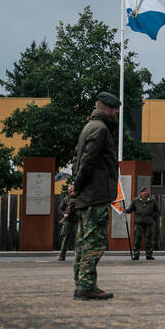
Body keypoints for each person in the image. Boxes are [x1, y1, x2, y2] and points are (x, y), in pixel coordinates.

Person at [69, 92, 120, 300]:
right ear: (107, 107)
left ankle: (83, 283)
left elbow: (76, 159)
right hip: (95, 196)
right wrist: (79, 185)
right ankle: (87, 286)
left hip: (86, 196)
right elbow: (88, 162)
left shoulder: (88, 127)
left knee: (82, 243)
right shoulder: (100, 130)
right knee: (94, 243)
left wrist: (75, 185)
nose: (117, 113)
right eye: (116, 109)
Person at [130, 186, 160, 260]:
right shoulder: (136, 200)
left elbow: (158, 212)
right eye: (143, 192)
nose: (145, 193)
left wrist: (152, 218)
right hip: (139, 223)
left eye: (146, 191)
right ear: (141, 193)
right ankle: (136, 255)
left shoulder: (152, 201)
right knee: (137, 240)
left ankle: (149, 255)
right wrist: (125, 210)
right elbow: (131, 209)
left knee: (149, 240)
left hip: (148, 223)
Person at [56, 179, 77, 261]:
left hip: (77, 221)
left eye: (72, 190)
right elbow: (60, 209)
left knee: (78, 239)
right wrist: (64, 214)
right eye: (70, 190)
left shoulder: (79, 199)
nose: (71, 191)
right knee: (65, 239)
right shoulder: (66, 199)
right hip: (68, 221)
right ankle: (62, 256)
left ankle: (78, 257)